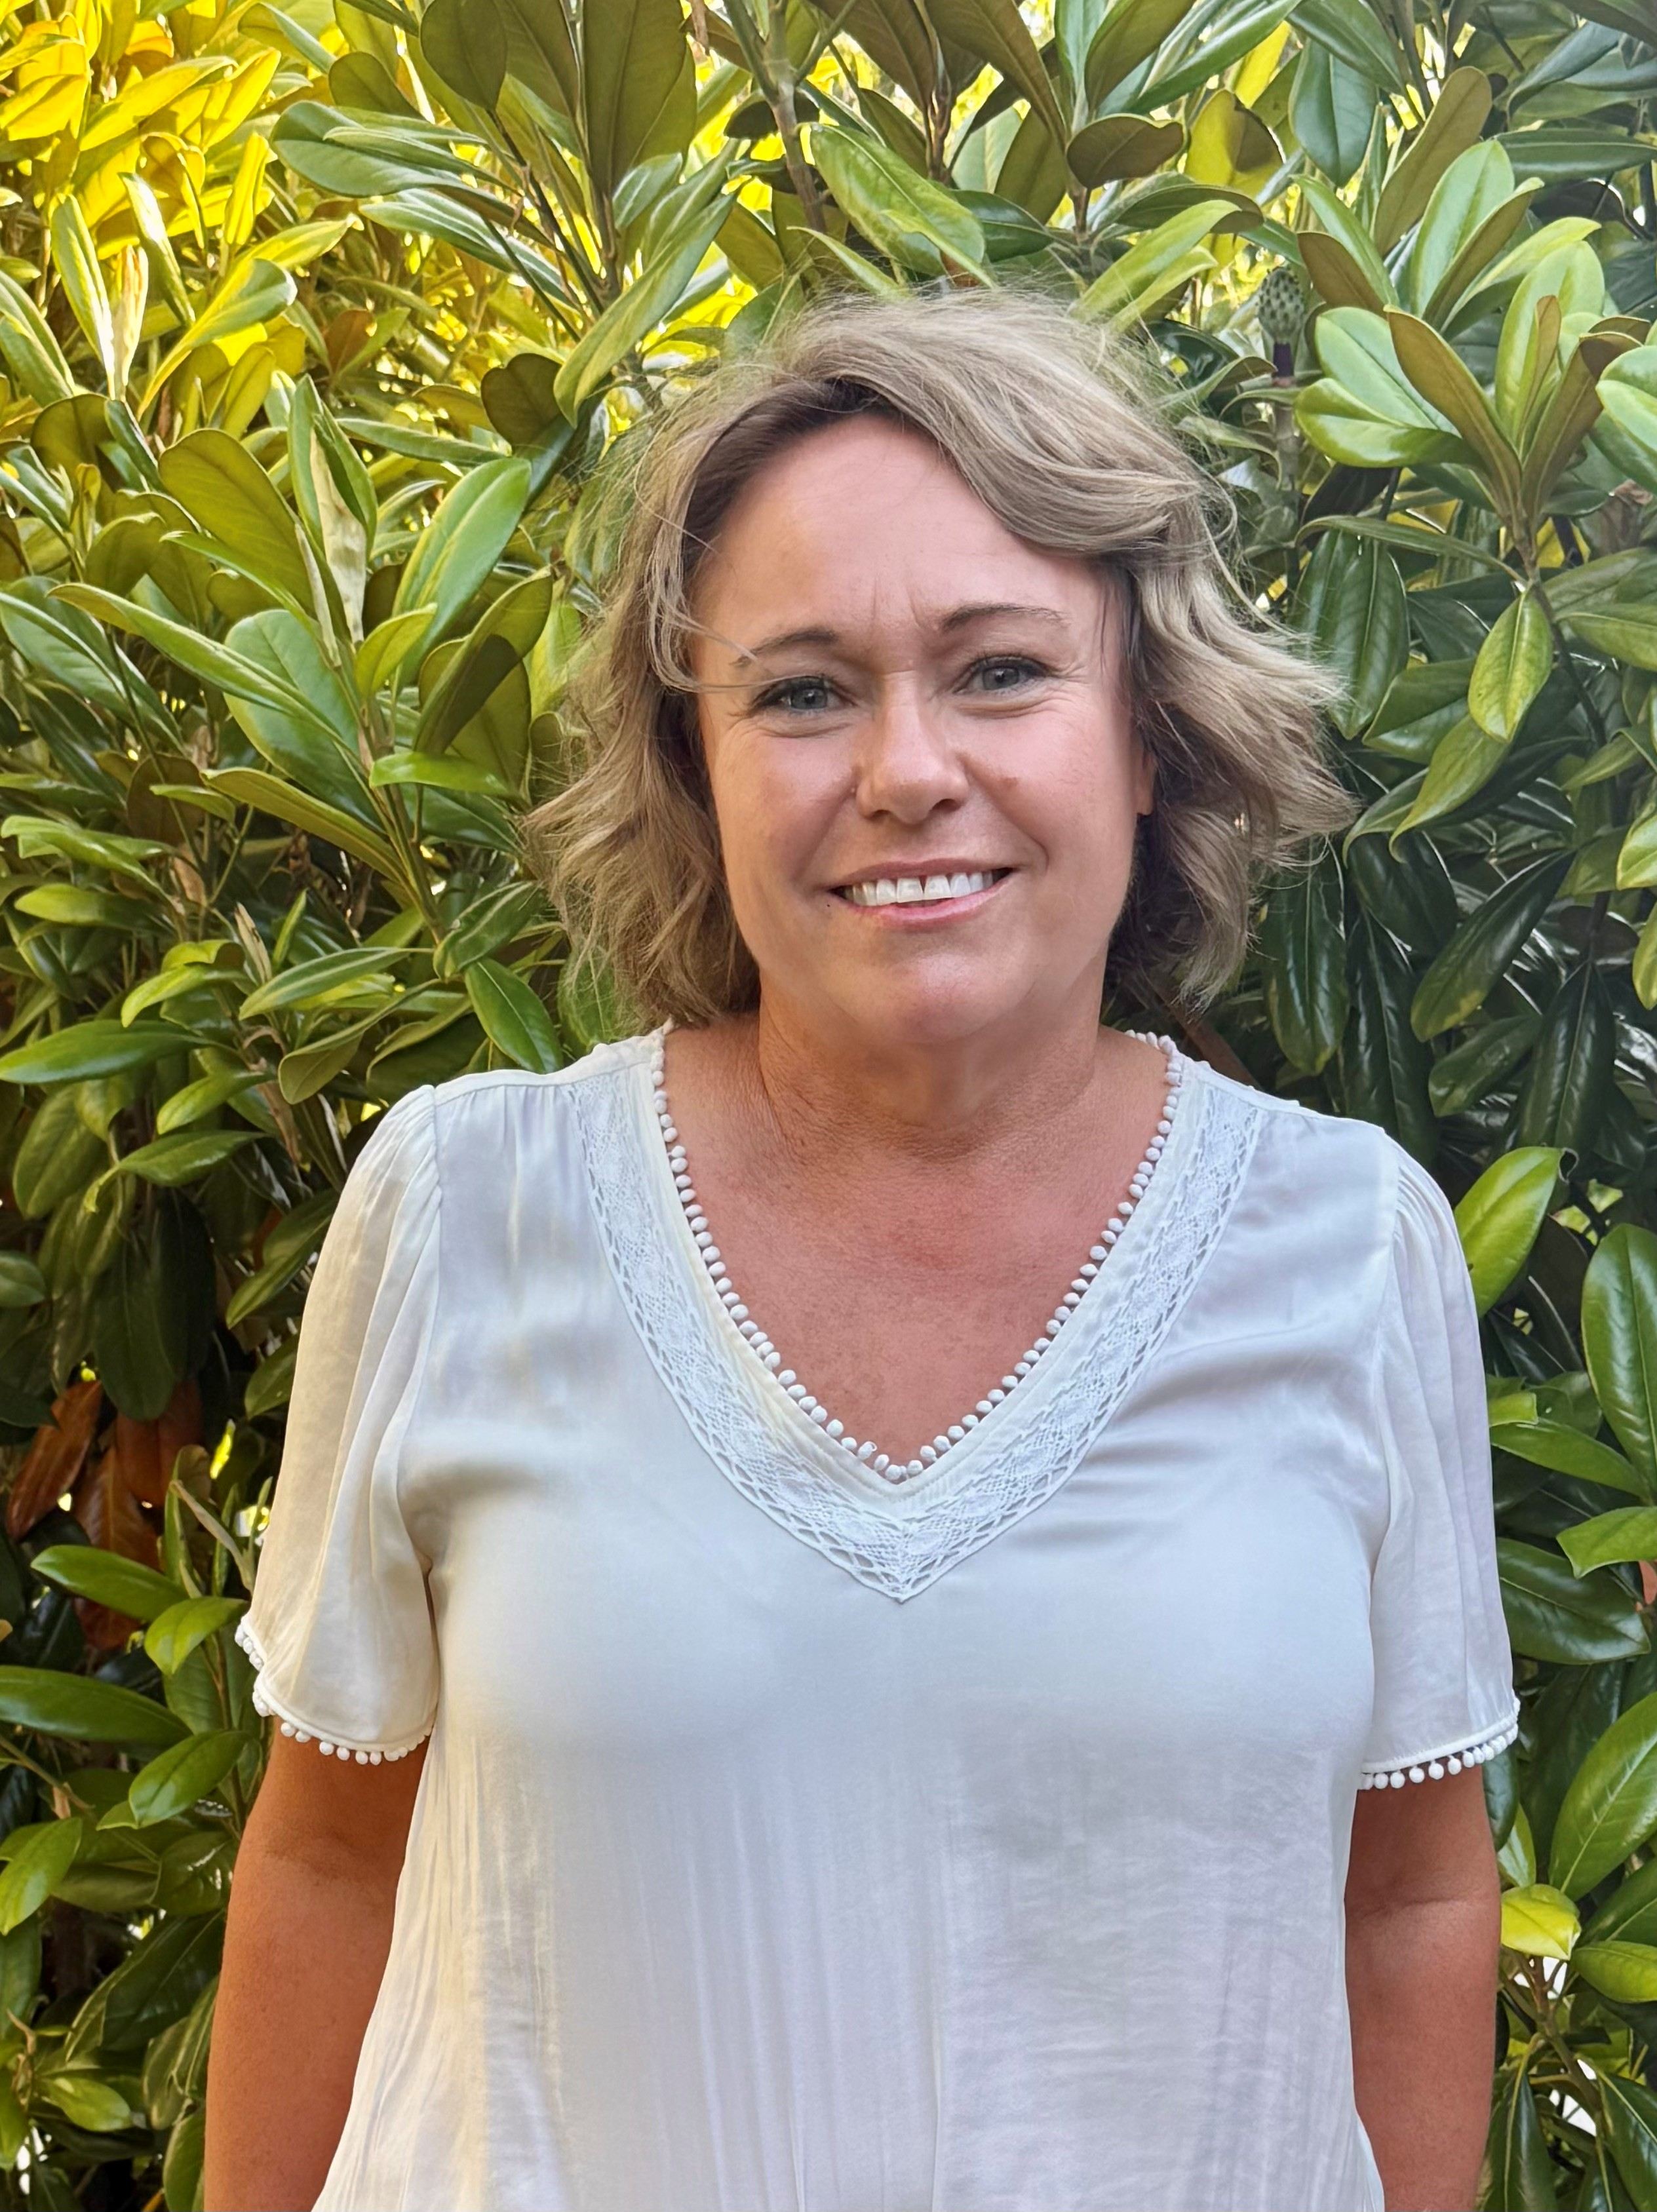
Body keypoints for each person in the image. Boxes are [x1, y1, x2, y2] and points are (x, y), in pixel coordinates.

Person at [203, 284, 1517, 2212]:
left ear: (1147, 740)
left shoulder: (1347, 1248)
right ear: (698, 764)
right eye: (803, 691)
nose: (907, 768)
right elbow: (326, 1854)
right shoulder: (467, 1209)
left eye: (999, 671)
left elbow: (1412, 1892)